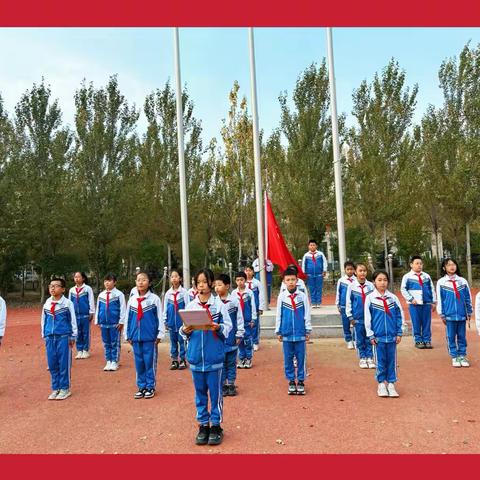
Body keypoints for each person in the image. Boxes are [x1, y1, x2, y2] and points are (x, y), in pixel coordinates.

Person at [179, 268, 232, 446]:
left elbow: (228, 326)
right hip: (195, 358)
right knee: (200, 394)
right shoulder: (191, 306)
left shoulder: (218, 306)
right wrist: (184, 331)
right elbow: (183, 330)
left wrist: (218, 328)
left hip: (213, 358)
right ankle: (203, 425)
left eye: (204, 281)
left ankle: (216, 425)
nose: (201, 285)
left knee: (215, 394)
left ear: (210, 283)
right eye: (198, 282)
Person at [124, 271, 165, 399]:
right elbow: (128, 318)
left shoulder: (154, 299)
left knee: (149, 362)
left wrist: (160, 334)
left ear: (149, 282)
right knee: (139, 362)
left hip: (150, 337)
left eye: (143, 280)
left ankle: (150, 386)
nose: (140, 282)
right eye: (138, 280)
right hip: (135, 337)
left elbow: (160, 316)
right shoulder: (132, 300)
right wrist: (127, 334)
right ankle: (141, 386)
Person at [365, 270, 404, 398]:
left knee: (392, 361)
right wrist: (371, 334)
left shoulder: (393, 298)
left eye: (385, 280)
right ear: (374, 282)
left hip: (392, 336)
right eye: (379, 280)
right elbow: (367, 318)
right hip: (378, 337)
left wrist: (399, 332)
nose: (382, 283)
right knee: (380, 361)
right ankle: (381, 383)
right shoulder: (370, 298)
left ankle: (391, 384)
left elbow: (399, 316)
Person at [275, 266, 311, 395]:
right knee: (288, 358)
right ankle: (291, 380)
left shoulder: (302, 296)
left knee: (301, 358)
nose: (291, 282)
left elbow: (307, 312)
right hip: (286, 333)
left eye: (293, 279)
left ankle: (301, 380)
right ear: (284, 281)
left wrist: (308, 330)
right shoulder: (282, 297)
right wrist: (278, 330)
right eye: (288, 279)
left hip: (300, 333)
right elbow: (279, 314)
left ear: (297, 280)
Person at [41, 277, 77, 400]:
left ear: (63, 289)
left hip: (63, 337)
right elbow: (43, 320)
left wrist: (73, 335)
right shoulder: (47, 303)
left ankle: (65, 388)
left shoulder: (67, 303)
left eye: (56, 286)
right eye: (51, 285)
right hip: (50, 338)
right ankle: (55, 388)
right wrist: (44, 334)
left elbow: (72, 320)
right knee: (52, 364)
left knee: (63, 364)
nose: (52, 288)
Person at [436, 258, 473, 367]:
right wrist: (441, 314)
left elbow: (468, 297)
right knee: (451, 336)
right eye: (448, 265)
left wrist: (469, 311)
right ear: (444, 268)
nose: (452, 266)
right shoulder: (441, 282)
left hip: (461, 314)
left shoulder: (462, 281)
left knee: (462, 336)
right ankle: (454, 356)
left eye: (453, 264)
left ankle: (462, 355)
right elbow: (440, 299)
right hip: (449, 315)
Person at [215, 273, 245, 396]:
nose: (216, 287)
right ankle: (222, 384)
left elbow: (239, 318)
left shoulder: (234, 301)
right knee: (220, 363)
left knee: (231, 362)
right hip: (219, 340)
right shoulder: (214, 303)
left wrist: (239, 333)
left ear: (227, 286)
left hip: (232, 337)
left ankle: (231, 384)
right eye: (215, 285)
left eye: (219, 285)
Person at [400, 255, 436, 349]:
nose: (419, 265)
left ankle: (427, 340)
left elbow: (431, 289)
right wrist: (411, 299)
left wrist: (433, 301)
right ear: (411, 265)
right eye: (417, 263)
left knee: (426, 323)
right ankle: (418, 340)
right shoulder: (407, 277)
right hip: (414, 304)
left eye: (420, 263)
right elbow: (403, 289)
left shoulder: (426, 276)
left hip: (426, 303)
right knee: (416, 322)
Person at [345, 263, 375, 369]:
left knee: (369, 337)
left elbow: (374, 301)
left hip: (369, 317)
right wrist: (350, 316)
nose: (362, 273)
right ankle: (362, 357)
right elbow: (348, 302)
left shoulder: (371, 286)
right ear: (355, 272)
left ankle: (370, 357)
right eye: (360, 271)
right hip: (357, 318)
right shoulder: (351, 286)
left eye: (364, 271)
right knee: (360, 338)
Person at [95, 273, 126, 371]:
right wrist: (98, 321)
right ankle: (108, 360)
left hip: (114, 323)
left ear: (115, 282)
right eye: (105, 281)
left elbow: (122, 308)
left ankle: (114, 361)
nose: (107, 283)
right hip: (104, 323)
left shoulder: (119, 294)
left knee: (114, 343)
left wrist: (121, 321)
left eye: (109, 280)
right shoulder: (101, 295)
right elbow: (98, 308)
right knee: (106, 342)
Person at [163, 270, 190, 370]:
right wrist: (165, 320)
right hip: (171, 322)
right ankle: (174, 360)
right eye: (172, 276)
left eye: (176, 276)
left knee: (182, 341)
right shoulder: (168, 293)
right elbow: (165, 307)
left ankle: (183, 359)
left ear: (180, 278)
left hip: (181, 322)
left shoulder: (184, 293)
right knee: (173, 342)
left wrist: (186, 321)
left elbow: (187, 306)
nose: (174, 278)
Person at [232, 272, 257, 368]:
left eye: (241, 280)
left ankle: (249, 358)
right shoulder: (234, 293)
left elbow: (253, 306)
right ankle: (241, 357)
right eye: (237, 280)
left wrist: (253, 319)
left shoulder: (249, 293)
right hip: (238, 322)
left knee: (248, 340)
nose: (240, 282)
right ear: (235, 281)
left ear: (245, 280)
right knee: (240, 340)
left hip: (247, 321)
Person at [69, 272, 95, 359]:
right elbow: (69, 303)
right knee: (77, 333)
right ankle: (79, 350)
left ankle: (85, 350)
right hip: (75, 315)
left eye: (78, 277)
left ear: (83, 278)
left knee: (85, 333)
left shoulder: (87, 289)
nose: (76, 279)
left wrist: (91, 312)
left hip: (85, 315)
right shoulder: (72, 290)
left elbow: (91, 300)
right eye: (75, 277)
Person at [335, 261, 356, 349]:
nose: (350, 271)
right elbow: (338, 293)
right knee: (345, 324)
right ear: (345, 270)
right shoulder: (341, 280)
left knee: (355, 323)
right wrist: (338, 304)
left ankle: (355, 339)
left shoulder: (356, 280)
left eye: (351, 269)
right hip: (343, 305)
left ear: (354, 270)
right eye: (348, 269)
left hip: (354, 305)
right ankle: (348, 340)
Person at [301, 239, 327, 307]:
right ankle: (313, 302)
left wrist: (324, 270)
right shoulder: (306, 255)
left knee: (319, 288)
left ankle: (318, 302)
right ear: (308, 246)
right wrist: (304, 273)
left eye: (313, 245)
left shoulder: (320, 254)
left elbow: (324, 262)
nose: (312, 246)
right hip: (309, 275)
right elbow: (303, 264)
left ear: (316, 246)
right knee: (311, 288)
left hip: (319, 274)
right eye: (311, 245)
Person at [244, 265, 265, 351]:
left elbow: (261, 295)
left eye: (249, 270)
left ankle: (255, 342)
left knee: (255, 325)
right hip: (245, 308)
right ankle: (247, 342)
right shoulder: (243, 283)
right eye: (246, 270)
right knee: (246, 325)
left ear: (253, 272)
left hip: (255, 307)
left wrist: (260, 307)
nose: (248, 272)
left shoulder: (257, 283)